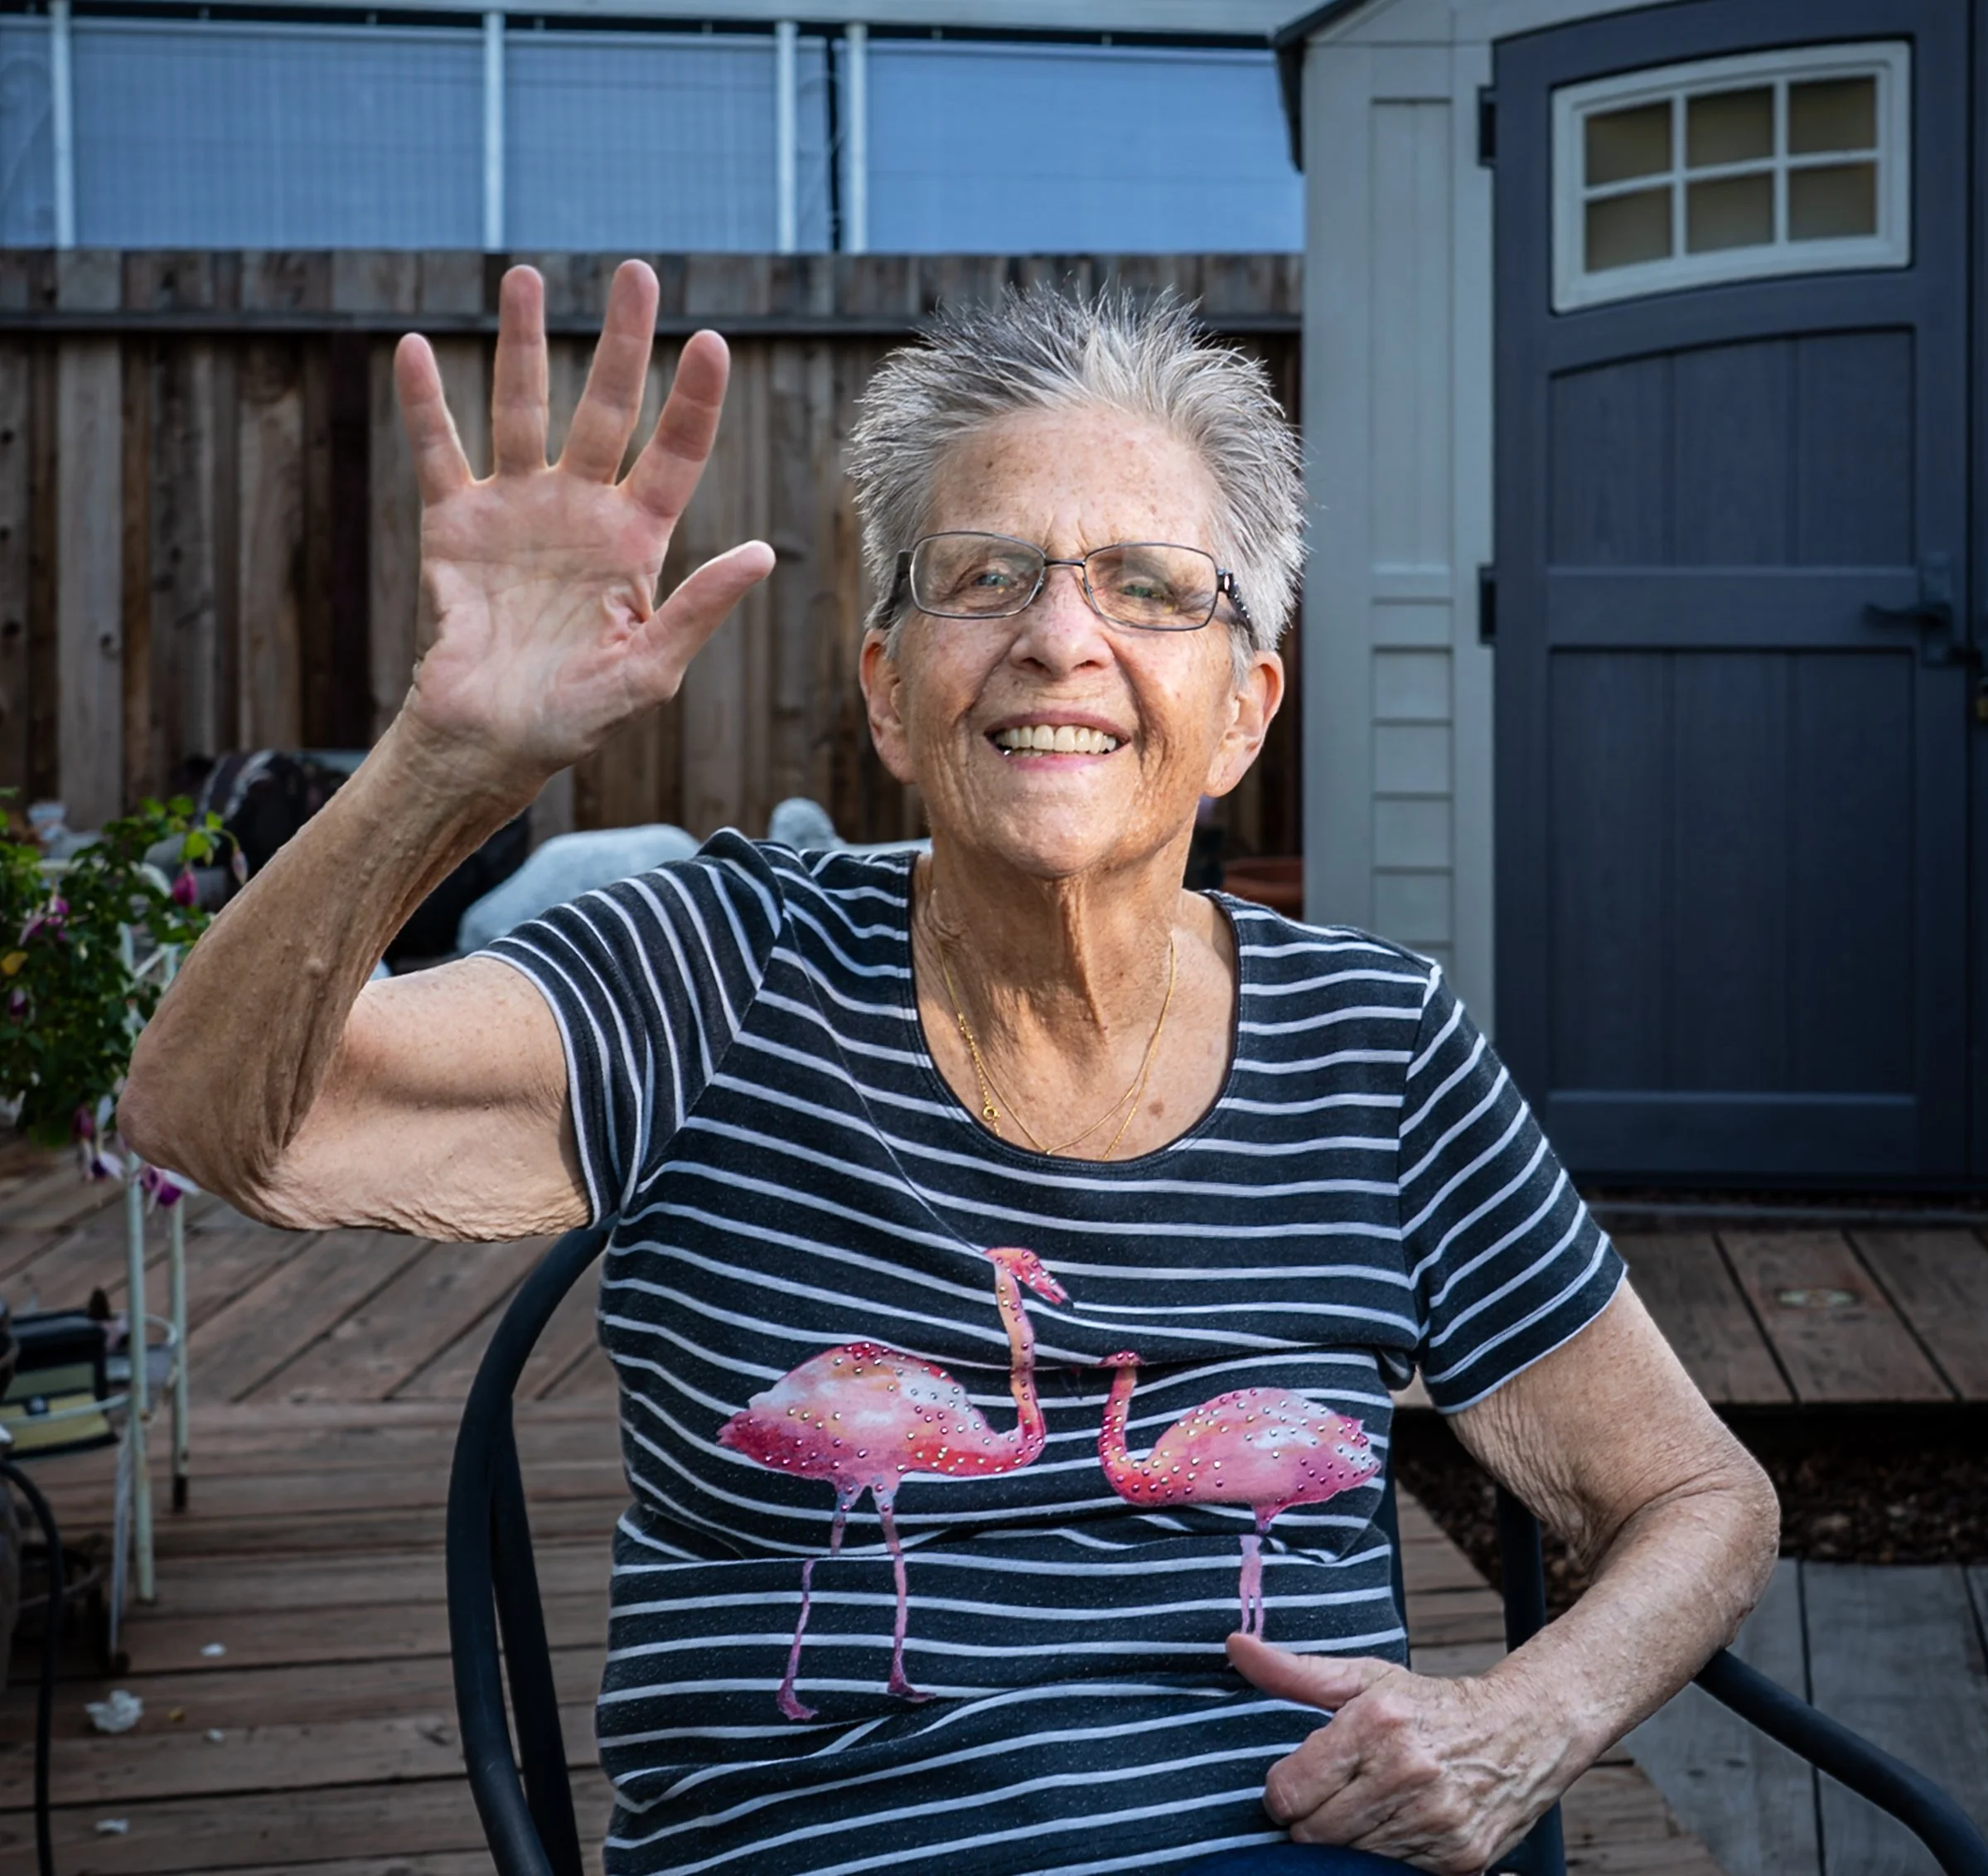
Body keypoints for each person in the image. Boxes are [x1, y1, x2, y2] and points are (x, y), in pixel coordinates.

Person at [120, 262, 1778, 1876]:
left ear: (1241, 712)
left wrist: (1528, 1715)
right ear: (890, 693)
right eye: (984, 576)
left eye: (1149, 584)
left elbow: (1698, 1493)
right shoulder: (719, 969)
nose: (1060, 637)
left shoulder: (1376, 1045)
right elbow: (210, 1118)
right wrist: (447, 763)